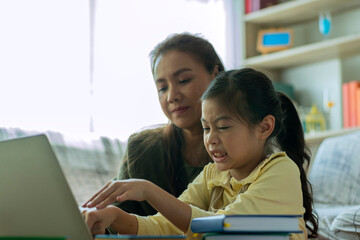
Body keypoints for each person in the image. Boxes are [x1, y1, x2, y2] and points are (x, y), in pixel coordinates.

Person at [82, 68, 319, 240]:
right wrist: (115, 216)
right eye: (206, 128)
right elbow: (167, 226)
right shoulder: (212, 175)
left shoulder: (280, 170)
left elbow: (224, 227)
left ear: (264, 127)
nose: (211, 139)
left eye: (223, 127)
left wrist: (149, 190)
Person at [83, 33, 225, 216]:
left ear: (216, 76)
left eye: (183, 81)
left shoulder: (246, 147)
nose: (172, 96)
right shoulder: (142, 150)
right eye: (162, 88)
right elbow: (114, 222)